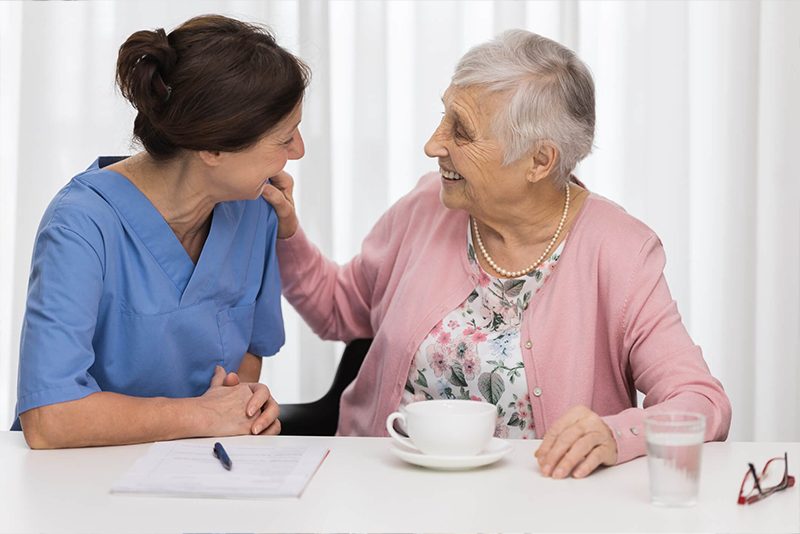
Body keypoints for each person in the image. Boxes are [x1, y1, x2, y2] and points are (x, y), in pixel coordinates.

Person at [263, 30, 732, 478]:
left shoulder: (620, 251)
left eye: (461, 131)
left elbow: (700, 400)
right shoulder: (428, 207)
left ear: (540, 161)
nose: (433, 144)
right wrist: (287, 231)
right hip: (385, 488)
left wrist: (616, 434)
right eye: (444, 116)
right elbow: (336, 311)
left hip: (543, 503)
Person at [14, 15, 309, 449]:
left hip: (204, 475)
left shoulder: (254, 210)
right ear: (212, 148)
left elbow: (249, 353)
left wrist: (243, 406)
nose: (298, 151)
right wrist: (199, 415)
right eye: (284, 138)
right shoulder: (81, 225)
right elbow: (50, 418)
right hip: (79, 486)